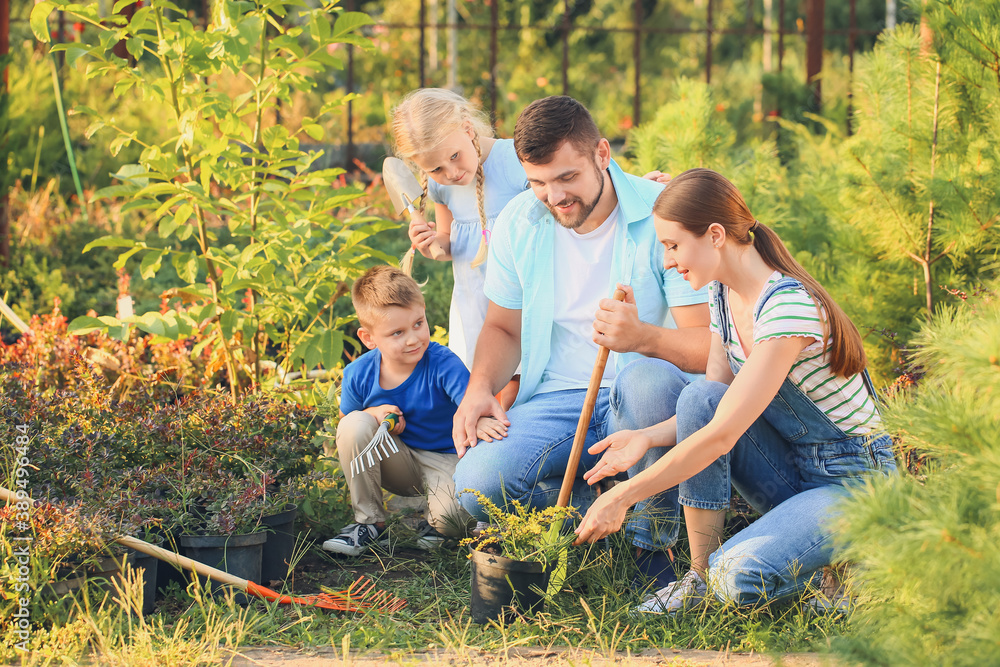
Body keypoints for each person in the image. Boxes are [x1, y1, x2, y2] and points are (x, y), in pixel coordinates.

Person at [573, 168, 897, 612]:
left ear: (715, 235)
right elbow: (710, 408)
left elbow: (722, 436)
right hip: (794, 468)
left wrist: (624, 495)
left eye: (672, 245)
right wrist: (645, 437)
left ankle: (848, 578)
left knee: (736, 577)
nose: (667, 261)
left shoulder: (786, 308)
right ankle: (698, 577)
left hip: (856, 482)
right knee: (698, 398)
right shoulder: (722, 296)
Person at [451, 96, 711, 588]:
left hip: (643, 405)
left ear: (602, 154)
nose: (554, 197)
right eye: (539, 183)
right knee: (475, 487)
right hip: (558, 400)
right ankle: (613, 513)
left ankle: (650, 546)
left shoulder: (663, 217)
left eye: (567, 178)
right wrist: (480, 387)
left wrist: (644, 338)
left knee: (646, 377)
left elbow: (708, 345)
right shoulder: (518, 222)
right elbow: (503, 328)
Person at [324, 265, 491, 555]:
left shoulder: (442, 363)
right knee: (355, 424)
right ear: (369, 338)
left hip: (446, 460)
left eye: (418, 323)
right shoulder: (359, 373)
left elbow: (471, 406)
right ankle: (370, 524)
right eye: (397, 332)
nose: (413, 338)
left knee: (452, 521)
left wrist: (483, 423)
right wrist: (374, 414)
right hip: (397, 461)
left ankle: (437, 522)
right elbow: (346, 427)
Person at [390, 88, 528, 381]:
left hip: (519, 299)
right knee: (482, 382)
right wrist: (429, 244)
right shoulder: (440, 186)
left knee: (517, 382)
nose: (451, 172)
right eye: (436, 168)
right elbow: (448, 245)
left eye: (455, 156)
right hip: (473, 302)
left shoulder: (517, 161)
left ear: (468, 129)